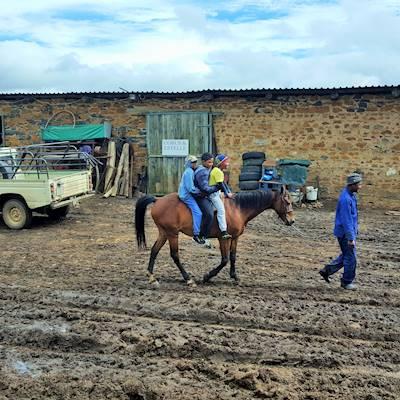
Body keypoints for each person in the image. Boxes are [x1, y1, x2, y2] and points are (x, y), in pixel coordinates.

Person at [319, 173, 363, 290]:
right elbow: (346, 220)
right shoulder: (345, 199)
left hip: (346, 232)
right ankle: (347, 282)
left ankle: (327, 271)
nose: (360, 186)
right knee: (350, 258)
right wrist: (350, 237)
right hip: (345, 234)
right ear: (352, 184)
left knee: (346, 255)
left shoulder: (351, 196)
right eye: (358, 184)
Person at [178, 155, 206, 245]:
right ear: (189, 163)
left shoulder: (189, 171)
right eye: (193, 162)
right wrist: (202, 191)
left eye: (195, 162)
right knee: (198, 212)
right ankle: (196, 234)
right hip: (186, 195)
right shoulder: (189, 172)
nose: (195, 164)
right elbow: (191, 189)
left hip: (186, 193)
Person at [193, 152, 220, 245]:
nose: (211, 164)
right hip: (200, 196)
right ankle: (202, 235)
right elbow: (205, 188)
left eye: (212, 162)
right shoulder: (202, 172)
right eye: (209, 162)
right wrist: (217, 187)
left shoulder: (206, 169)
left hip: (205, 194)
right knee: (209, 214)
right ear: (203, 162)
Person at [209, 154, 234, 239]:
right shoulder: (217, 171)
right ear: (221, 163)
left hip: (217, 193)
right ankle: (223, 231)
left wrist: (229, 192)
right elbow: (221, 184)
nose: (228, 163)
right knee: (221, 210)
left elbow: (223, 183)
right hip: (213, 194)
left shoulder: (218, 171)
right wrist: (227, 194)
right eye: (226, 162)